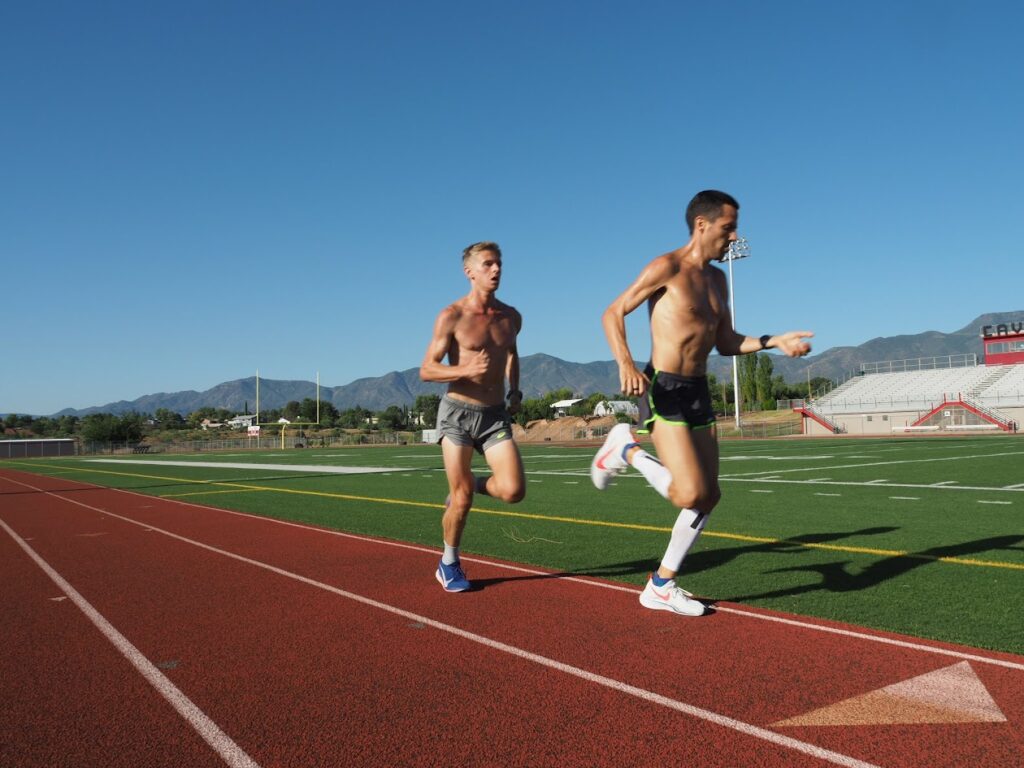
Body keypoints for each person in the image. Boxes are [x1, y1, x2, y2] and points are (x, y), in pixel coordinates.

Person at [591, 190, 813, 616]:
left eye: (735, 229)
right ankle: (626, 449)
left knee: (708, 497)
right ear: (702, 225)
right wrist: (625, 363)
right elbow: (612, 312)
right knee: (688, 491)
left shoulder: (717, 280)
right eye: (728, 228)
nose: (734, 236)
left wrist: (773, 341)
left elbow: (726, 342)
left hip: (697, 393)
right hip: (663, 389)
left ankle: (660, 584)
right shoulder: (667, 267)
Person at [420, 241, 526, 592]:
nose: (496, 270)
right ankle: (448, 563)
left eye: (499, 264)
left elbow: (511, 354)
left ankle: (471, 484)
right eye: (488, 264)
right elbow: (427, 369)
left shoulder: (511, 317)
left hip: (495, 415)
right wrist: (463, 368)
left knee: (513, 490)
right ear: (470, 272)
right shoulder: (452, 316)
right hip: (458, 416)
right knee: (461, 499)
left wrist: (515, 390)